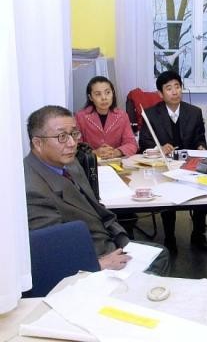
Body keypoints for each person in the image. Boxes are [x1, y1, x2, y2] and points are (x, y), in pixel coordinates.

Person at [24, 105, 169, 275]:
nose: (72, 143)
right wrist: (98, 264)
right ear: (38, 143)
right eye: (62, 136)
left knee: (160, 255)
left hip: (107, 243)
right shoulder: (32, 188)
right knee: (156, 264)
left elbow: (98, 210)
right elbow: (53, 250)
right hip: (89, 262)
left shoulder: (70, 163)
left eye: (74, 134)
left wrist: (124, 242)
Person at [138, 71, 207, 253]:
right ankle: (169, 237)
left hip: (189, 166)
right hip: (165, 167)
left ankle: (198, 235)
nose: (174, 92)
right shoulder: (151, 114)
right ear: (161, 94)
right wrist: (160, 148)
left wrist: (201, 146)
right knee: (167, 195)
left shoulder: (194, 112)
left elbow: (200, 139)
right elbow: (144, 143)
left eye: (177, 87)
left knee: (202, 192)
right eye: (169, 88)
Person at [75, 76, 138, 159]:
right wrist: (94, 153)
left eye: (107, 92)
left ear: (113, 93)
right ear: (90, 97)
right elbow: (75, 146)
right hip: (91, 165)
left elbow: (132, 144)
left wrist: (117, 152)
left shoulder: (122, 115)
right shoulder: (80, 117)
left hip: (117, 163)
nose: (104, 98)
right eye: (98, 94)